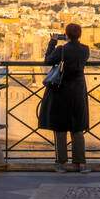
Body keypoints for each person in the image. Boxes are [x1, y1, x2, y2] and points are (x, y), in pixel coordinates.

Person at [39, 22, 92, 173]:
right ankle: (80, 163)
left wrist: (53, 42)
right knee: (78, 128)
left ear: (66, 35)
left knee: (60, 127)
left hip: (61, 90)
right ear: (80, 35)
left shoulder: (62, 50)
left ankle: (61, 163)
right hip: (78, 90)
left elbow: (48, 60)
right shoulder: (85, 50)